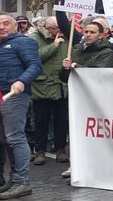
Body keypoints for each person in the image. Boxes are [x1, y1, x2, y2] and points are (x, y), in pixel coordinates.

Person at [0, 13, 41, 198]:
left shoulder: (23, 42)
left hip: (15, 95)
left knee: (15, 137)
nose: (1, 27)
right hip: (2, 96)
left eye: (5, 23)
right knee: (6, 140)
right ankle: (14, 179)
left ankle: (22, 181)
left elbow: (34, 65)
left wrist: (22, 80)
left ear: (15, 25)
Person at [30, 18, 68, 168]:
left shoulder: (65, 37)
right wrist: (54, 46)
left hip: (60, 86)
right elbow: (34, 57)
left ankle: (60, 149)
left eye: (59, 28)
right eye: (54, 29)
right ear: (47, 27)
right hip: (42, 87)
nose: (57, 32)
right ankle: (40, 151)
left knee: (61, 121)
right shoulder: (34, 38)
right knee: (41, 121)